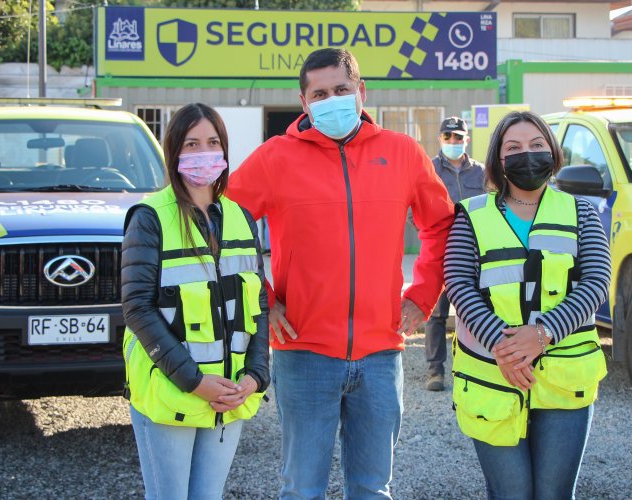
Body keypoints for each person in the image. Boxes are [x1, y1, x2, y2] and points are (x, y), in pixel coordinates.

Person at [227, 48, 454, 499]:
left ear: (361, 91)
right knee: (302, 489)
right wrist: (263, 299)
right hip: (303, 352)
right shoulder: (276, 157)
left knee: (372, 489)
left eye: (341, 90)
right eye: (320, 93)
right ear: (305, 102)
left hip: (380, 354)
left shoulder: (403, 153)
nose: (332, 99)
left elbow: (442, 225)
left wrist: (422, 294)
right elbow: (224, 227)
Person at [444, 111, 610, 499]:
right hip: (492, 376)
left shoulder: (581, 211)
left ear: (553, 152)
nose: (527, 155)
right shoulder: (471, 215)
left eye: (537, 145)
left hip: (564, 376)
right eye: (513, 148)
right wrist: (505, 348)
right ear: (497, 161)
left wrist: (542, 334)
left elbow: (596, 281)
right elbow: (458, 284)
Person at [121, 103, 270, 499]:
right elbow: (137, 307)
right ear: (174, 152)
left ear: (224, 152)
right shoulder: (150, 217)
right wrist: (195, 381)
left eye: (212, 142)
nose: (204, 151)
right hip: (174, 390)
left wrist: (256, 376)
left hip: (229, 393)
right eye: (191, 143)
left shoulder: (241, 217)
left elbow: (259, 304)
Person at [423, 116, 484, 392]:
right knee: (437, 314)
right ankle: (435, 371)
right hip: (441, 251)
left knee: (473, 310)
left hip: (476, 252)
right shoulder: (429, 169)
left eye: (458, 137)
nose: (453, 141)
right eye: (448, 136)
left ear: (466, 140)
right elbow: (416, 209)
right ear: (440, 138)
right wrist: (433, 233)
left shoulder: (482, 173)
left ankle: (469, 366)